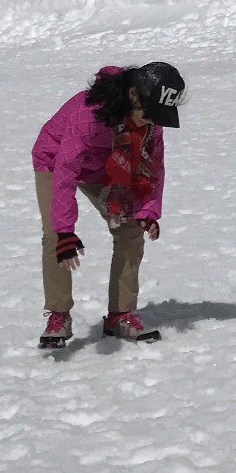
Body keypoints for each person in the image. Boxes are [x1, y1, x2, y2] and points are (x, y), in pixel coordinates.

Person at [29, 62, 186, 348]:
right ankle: (58, 315)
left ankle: (120, 315)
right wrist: (66, 231)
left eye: (158, 117)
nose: (152, 123)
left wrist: (147, 212)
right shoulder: (90, 114)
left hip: (106, 165)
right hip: (55, 157)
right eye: (149, 115)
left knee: (130, 230)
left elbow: (154, 167)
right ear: (133, 97)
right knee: (55, 234)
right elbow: (65, 170)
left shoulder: (149, 123)